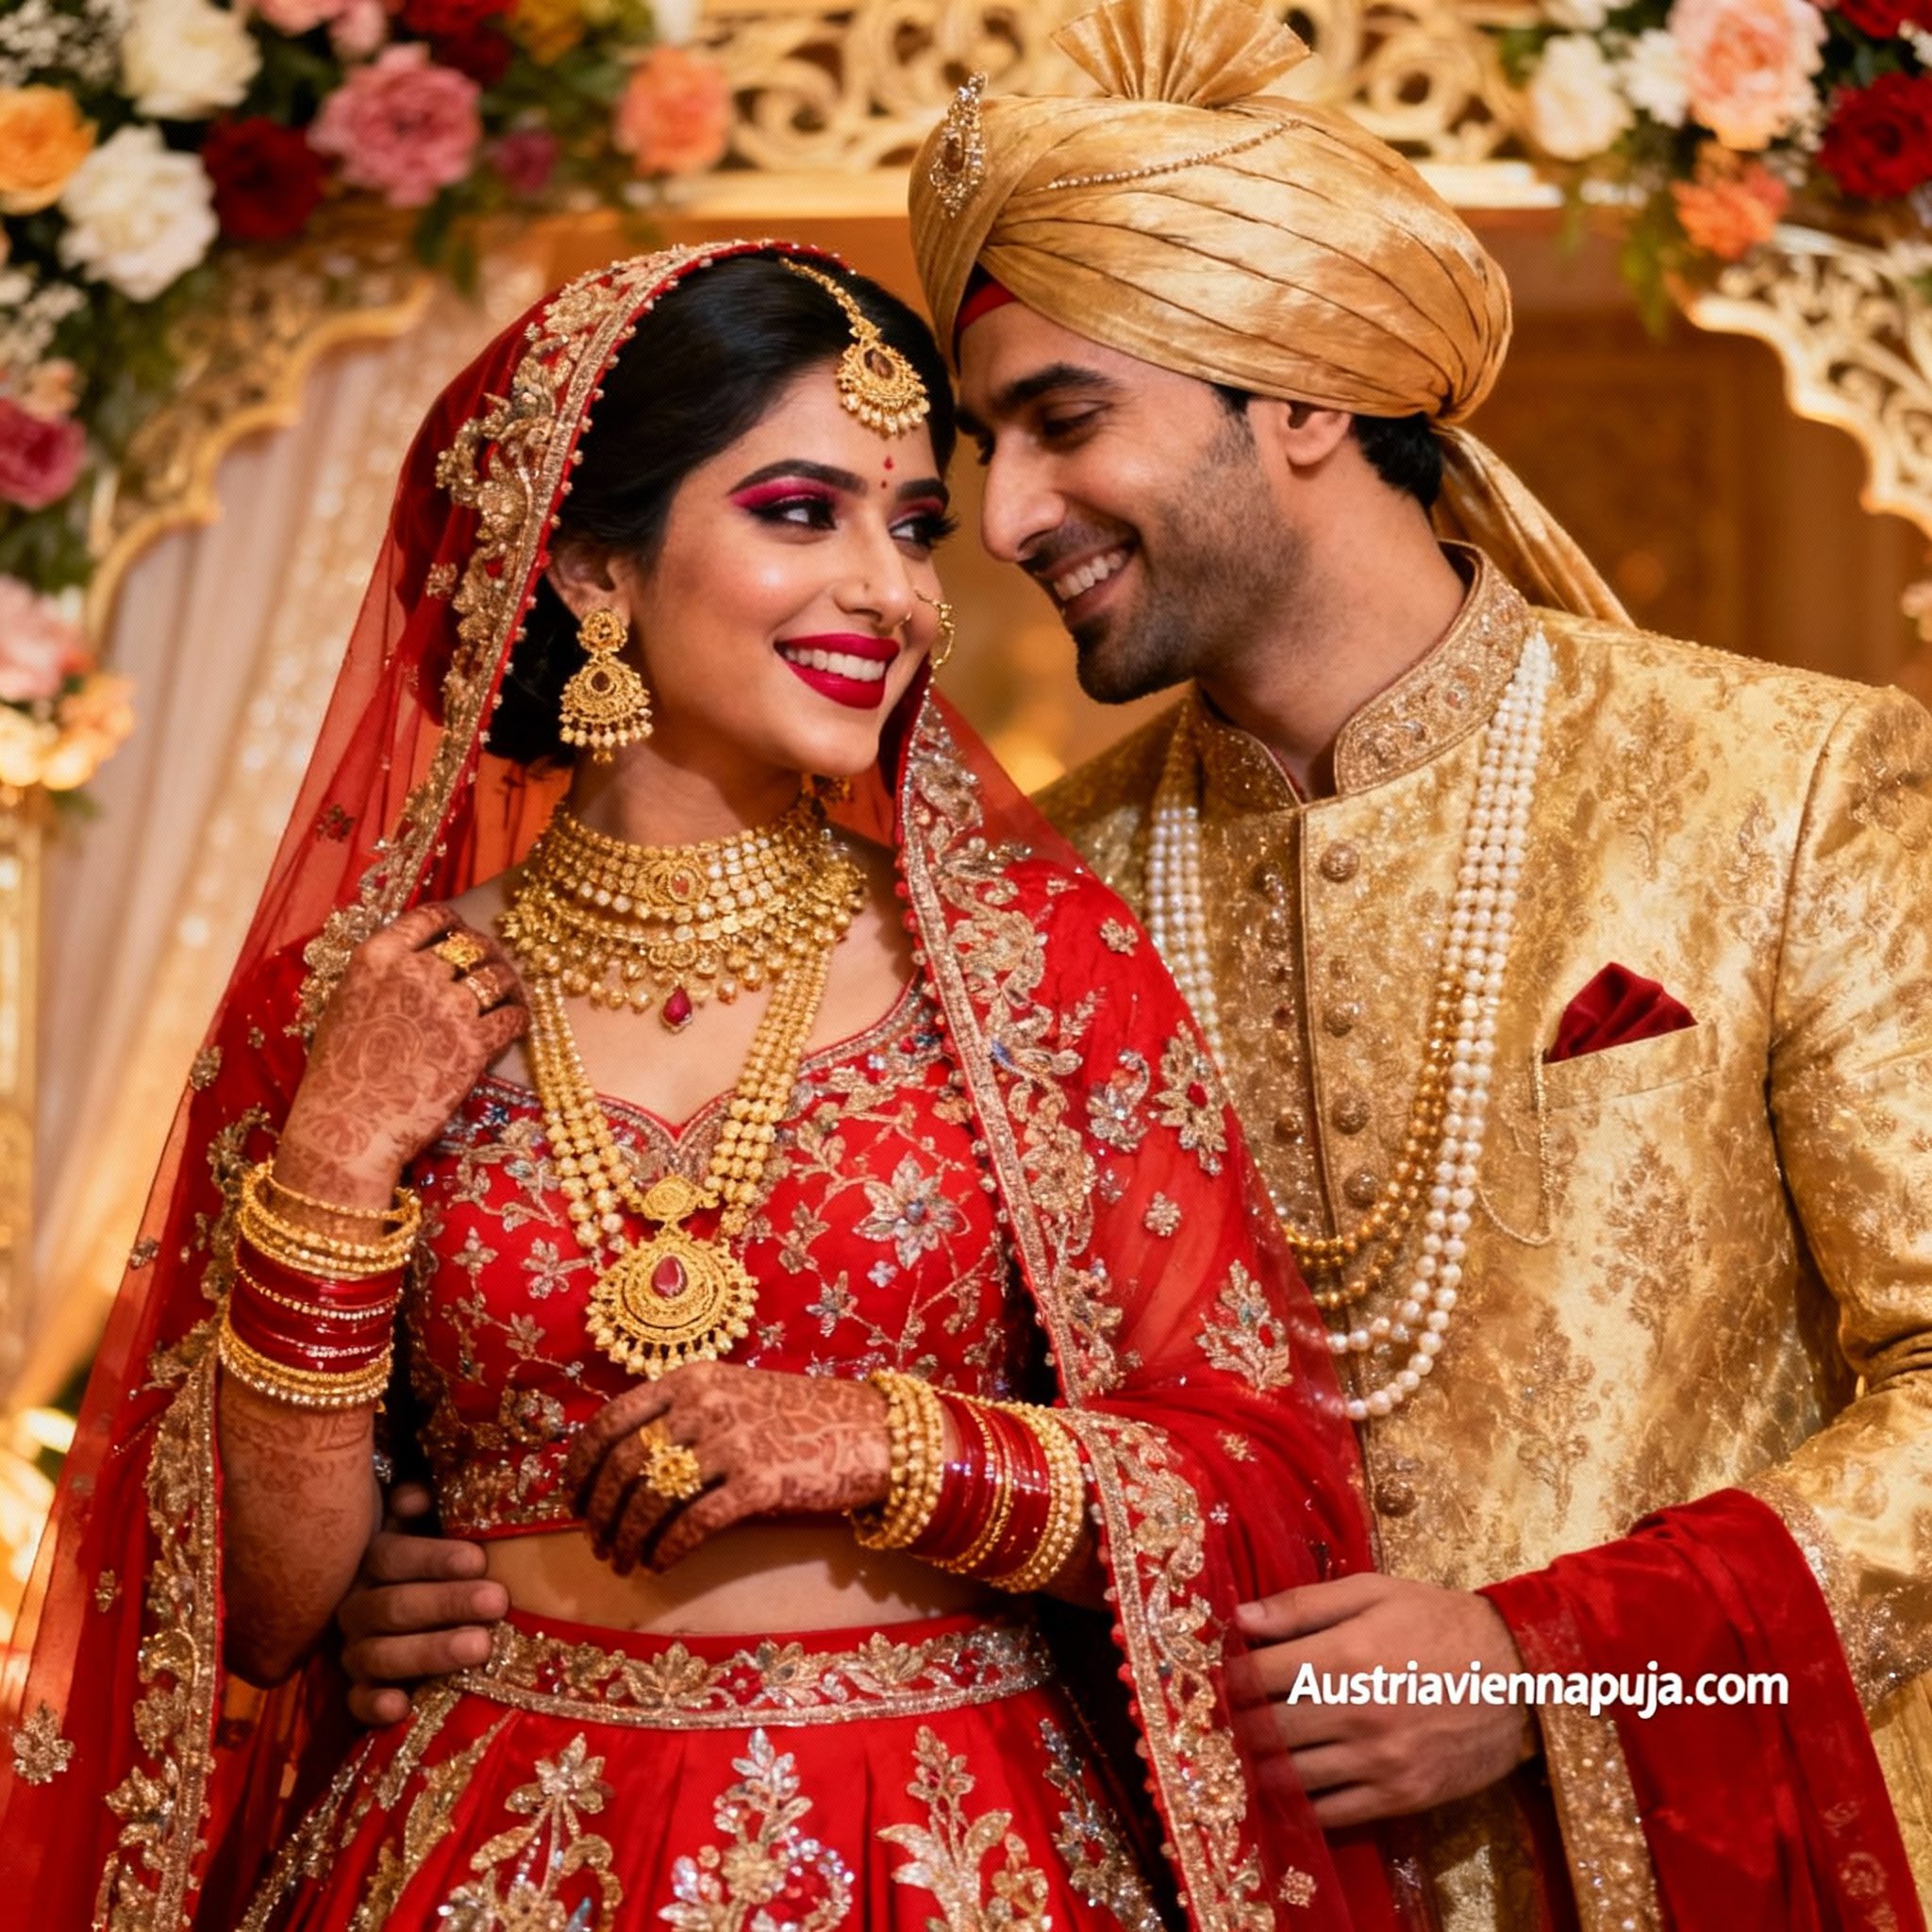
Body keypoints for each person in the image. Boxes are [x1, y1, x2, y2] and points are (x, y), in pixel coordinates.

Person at [0, 241, 1420, 1931]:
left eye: (910, 529)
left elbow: (1264, 1484)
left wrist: (894, 1445)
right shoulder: (370, 1006)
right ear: (597, 569)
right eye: (800, 512)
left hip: (956, 1848)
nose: (894, 597)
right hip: (486, 1850)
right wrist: (343, 1157)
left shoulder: (1035, 971)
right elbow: (249, 1617)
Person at [904, 0, 1931, 1925]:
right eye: (985, 446)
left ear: (1298, 396)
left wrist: (1547, 1669)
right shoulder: (1039, 895)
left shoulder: (1783, 786)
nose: (1006, 517)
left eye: (1063, 421)